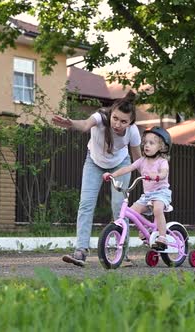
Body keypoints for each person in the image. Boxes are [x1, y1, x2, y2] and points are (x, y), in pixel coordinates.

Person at [52, 91, 141, 267]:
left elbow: (139, 159)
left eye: (124, 121)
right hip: (94, 162)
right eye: (115, 118)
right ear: (111, 113)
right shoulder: (100, 117)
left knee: (118, 207)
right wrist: (70, 123)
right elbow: (85, 125)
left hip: (120, 164)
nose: (118, 124)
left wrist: (152, 176)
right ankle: (81, 251)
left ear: (130, 122)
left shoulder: (133, 132)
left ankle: (122, 253)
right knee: (86, 204)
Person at [102, 127, 172, 251]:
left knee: (157, 209)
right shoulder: (142, 161)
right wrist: (112, 174)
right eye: (145, 143)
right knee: (132, 212)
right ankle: (147, 231)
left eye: (152, 143)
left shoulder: (162, 162)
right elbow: (127, 168)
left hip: (161, 193)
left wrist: (157, 176)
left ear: (162, 147)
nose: (147, 146)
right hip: (148, 195)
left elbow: (164, 174)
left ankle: (162, 237)